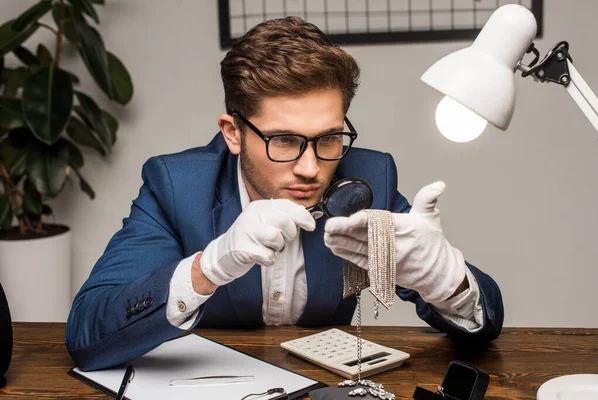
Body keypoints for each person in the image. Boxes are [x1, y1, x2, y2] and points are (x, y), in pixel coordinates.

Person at [65, 16, 503, 372]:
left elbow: (486, 325)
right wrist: (208, 267)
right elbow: (86, 334)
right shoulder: (177, 187)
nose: (311, 168)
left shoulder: (371, 177)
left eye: (329, 137)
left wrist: (446, 281)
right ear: (233, 132)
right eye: (284, 141)